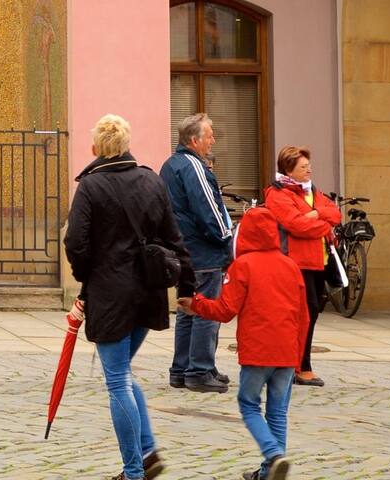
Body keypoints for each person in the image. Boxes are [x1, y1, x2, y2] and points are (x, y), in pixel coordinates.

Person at [65, 114, 192, 480]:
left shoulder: (91, 187)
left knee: (117, 379)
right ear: (126, 144)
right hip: (149, 290)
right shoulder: (151, 179)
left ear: (95, 149)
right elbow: (174, 235)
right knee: (121, 372)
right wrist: (187, 286)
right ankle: (148, 451)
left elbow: (76, 242)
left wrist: (84, 275)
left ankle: (133, 470)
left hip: (111, 294)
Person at [183, 207, 308, 480]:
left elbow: (225, 310)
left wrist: (196, 304)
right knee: (278, 413)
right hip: (286, 354)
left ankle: (273, 454)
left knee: (249, 404)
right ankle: (268, 472)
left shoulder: (243, 266)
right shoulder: (291, 266)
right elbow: (303, 317)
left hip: (257, 353)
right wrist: (298, 357)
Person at [161, 113, 234, 393]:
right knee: (206, 310)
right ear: (194, 140)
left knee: (187, 309)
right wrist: (226, 238)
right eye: (210, 135)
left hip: (182, 248)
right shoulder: (194, 166)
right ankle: (200, 369)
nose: (213, 139)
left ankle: (182, 368)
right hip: (202, 250)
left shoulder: (171, 164)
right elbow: (209, 210)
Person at [260, 147, 341, 387]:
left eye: (308, 166)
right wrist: (323, 224)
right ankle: (298, 366)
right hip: (295, 264)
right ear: (289, 169)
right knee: (301, 314)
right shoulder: (278, 194)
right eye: (304, 167)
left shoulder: (311, 191)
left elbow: (335, 213)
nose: (309, 170)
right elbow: (295, 225)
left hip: (317, 262)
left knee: (311, 314)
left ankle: (299, 364)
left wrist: (315, 215)